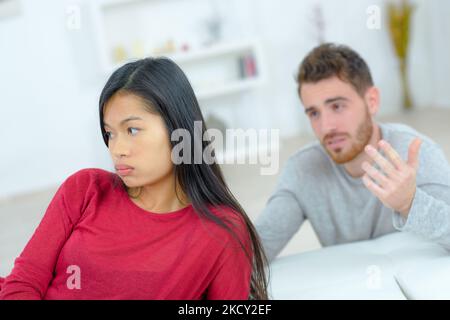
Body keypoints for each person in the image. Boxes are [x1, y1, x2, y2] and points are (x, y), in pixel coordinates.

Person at [0, 58, 268, 299]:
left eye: (132, 129)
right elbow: (23, 282)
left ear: (179, 130)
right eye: (110, 133)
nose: (117, 149)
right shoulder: (85, 188)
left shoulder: (221, 232)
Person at [256, 43, 450, 262]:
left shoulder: (415, 153)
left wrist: (410, 203)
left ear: (372, 101)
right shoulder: (303, 169)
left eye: (337, 106)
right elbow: (257, 249)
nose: (326, 126)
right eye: (313, 113)